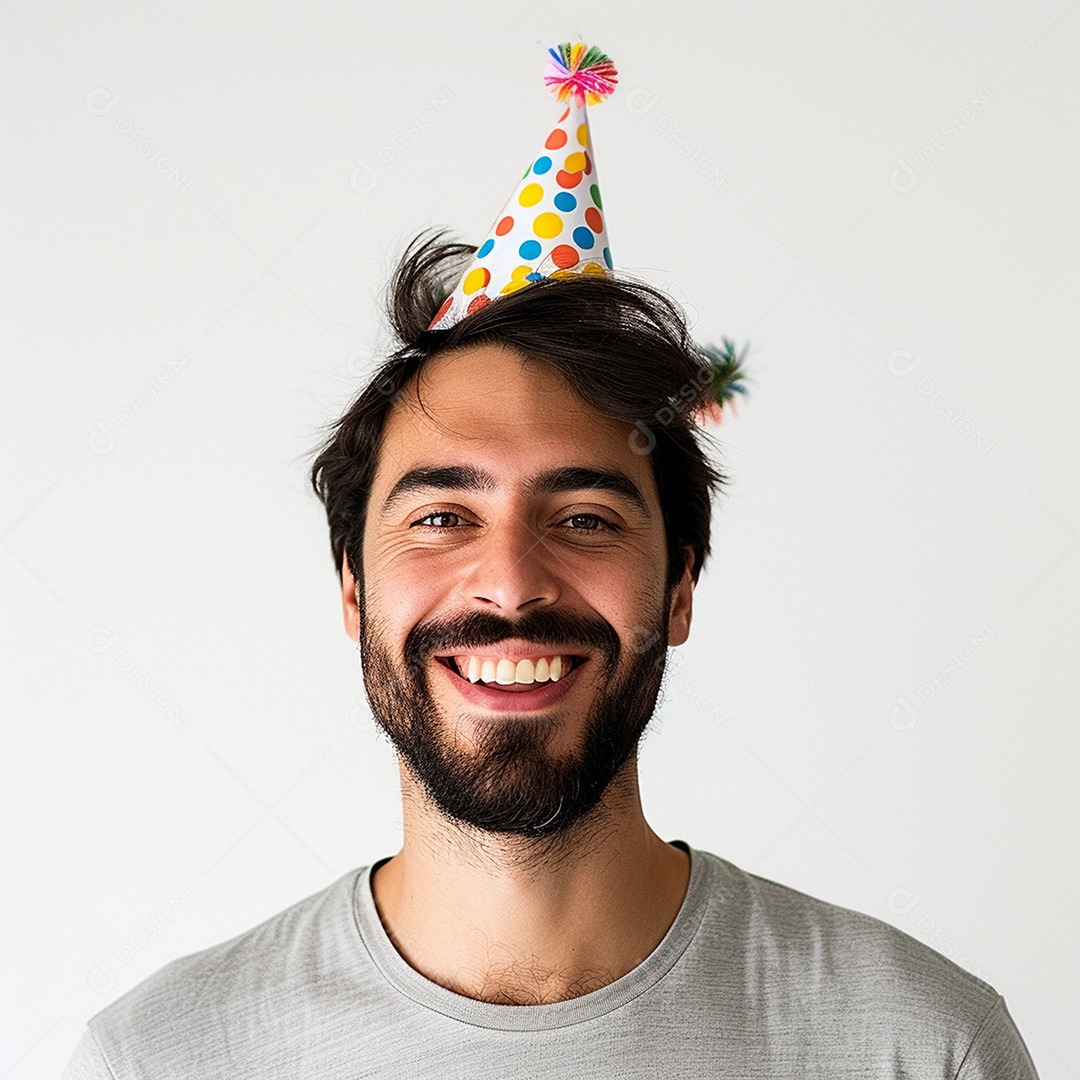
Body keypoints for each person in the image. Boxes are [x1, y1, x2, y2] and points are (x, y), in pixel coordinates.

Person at [63, 43, 1039, 1079]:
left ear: (680, 589)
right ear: (352, 588)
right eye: (442, 517)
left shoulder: (920, 1044)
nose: (512, 582)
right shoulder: (158, 1058)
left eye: (584, 518)